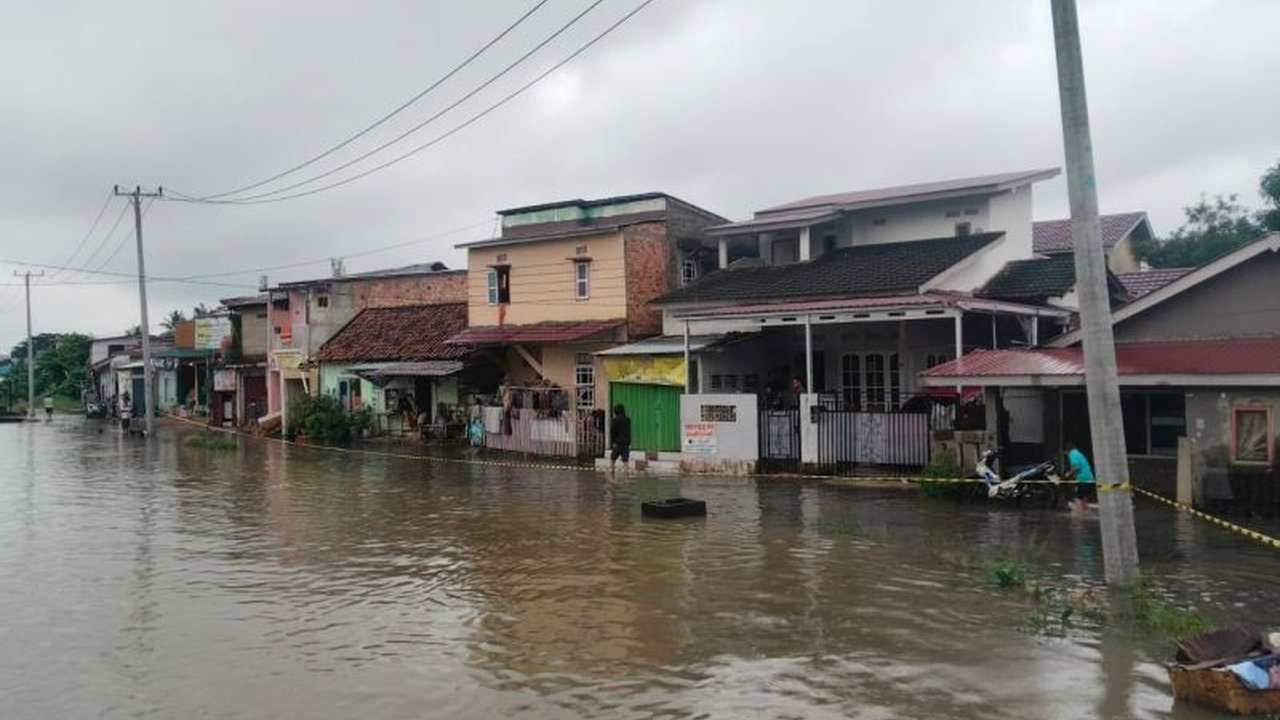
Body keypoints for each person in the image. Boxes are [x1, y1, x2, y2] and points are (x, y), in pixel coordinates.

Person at [1064, 441, 1096, 512]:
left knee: (1077, 498)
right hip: (1090, 479)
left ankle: (1079, 516)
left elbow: (1076, 467)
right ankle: (1086, 513)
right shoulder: (1079, 453)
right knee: (1083, 498)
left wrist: (1068, 473)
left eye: (1065, 453)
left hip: (1083, 479)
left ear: (1067, 451)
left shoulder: (1073, 454)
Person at [609, 404, 632, 477]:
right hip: (625, 443)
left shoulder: (614, 420)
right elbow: (628, 431)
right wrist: (628, 442)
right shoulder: (627, 420)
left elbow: (612, 432)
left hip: (617, 442)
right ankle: (626, 476)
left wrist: (613, 442)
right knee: (625, 461)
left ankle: (612, 474)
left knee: (613, 459)